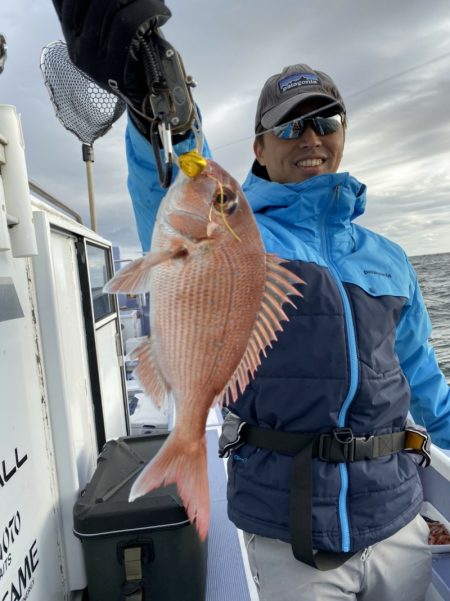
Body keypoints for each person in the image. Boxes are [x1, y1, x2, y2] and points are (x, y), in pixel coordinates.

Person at [52, 2, 450, 599]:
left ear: (343, 134)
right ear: (260, 148)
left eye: (325, 120)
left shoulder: (388, 257)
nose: (310, 138)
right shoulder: (242, 235)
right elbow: (175, 183)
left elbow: (425, 381)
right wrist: (164, 113)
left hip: (397, 515)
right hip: (293, 528)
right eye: (289, 127)